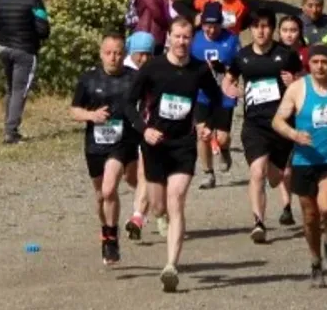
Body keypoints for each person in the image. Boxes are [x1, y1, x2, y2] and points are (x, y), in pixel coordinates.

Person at [125, 17, 223, 292]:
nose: (182, 42)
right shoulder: (152, 68)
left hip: (183, 143)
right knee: (159, 206)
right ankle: (159, 217)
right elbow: (128, 104)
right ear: (168, 38)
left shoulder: (199, 70)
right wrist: (144, 130)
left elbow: (216, 99)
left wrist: (206, 123)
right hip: (155, 144)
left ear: (192, 39)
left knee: (176, 197)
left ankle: (170, 266)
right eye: (177, 36)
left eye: (187, 37)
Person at [270, 44, 327, 286]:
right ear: (308, 65)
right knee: (310, 217)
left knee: (326, 206)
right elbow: (278, 120)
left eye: (325, 62)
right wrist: (293, 134)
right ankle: (315, 260)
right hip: (304, 160)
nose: (320, 67)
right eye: (315, 62)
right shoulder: (297, 89)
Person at [222, 8, 304, 242]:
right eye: (256, 26)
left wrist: (295, 81)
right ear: (250, 29)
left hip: (281, 123)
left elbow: (305, 82)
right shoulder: (242, 56)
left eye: (266, 26)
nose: (261, 30)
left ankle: (275, 171)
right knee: (256, 171)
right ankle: (258, 222)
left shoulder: (286, 54)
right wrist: (233, 92)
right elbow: (228, 80)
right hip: (254, 124)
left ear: (272, 29)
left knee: (277, 177)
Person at [70, 33, 140, 266]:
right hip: (95, 144)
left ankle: (111, 239)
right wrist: (92, 115)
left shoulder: (134, 78)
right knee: (100, 196)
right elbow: (74, 111)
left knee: (110, 190)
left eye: (119, 53)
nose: (114, 57)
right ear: (101, 54)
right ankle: (107, 231)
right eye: (109, 53)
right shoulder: (89, 79)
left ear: (125, 54)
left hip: (123, 142)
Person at [0, 0, 51, 144]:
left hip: (3, 48)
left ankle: (8, 126)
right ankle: (11, 132)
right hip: (26, 51)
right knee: (20, 90)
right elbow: (43, 30)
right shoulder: (34, 1)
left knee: (11, 89)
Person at [191, 2, 240, 190]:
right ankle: (208, 173)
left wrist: (225, 69)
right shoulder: (194, 40)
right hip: (202, 94)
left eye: (215, 25)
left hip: (224, 93)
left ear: (221, 24)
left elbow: (239, 66)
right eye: (207, 25)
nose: (211, 30)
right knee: (203, 134)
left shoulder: (232, 40)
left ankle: (225, 150)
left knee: (221, 138)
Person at [122, 31, 162, 242]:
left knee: (143, 173)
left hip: (148, 129)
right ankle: (156, 205)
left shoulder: (155, 71)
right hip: (126, 132)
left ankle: (137, 217)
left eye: (148, 54)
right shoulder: (124, 71)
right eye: (140, 54)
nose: (144, 59)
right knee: (131, 177)